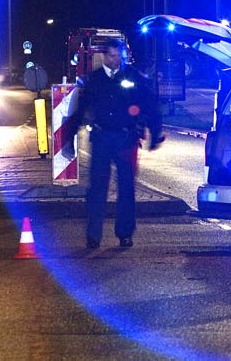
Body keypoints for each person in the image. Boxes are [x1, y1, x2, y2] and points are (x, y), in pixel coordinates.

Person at [62, 39, 164, 249]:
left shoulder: (134, 77)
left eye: (121, 56)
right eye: (113, 56)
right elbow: (81, 111)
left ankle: (125, 233)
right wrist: (69, 139)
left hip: (126, 139)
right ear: (104, 57)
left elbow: (151, 106)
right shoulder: (95, 80)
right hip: (101, 139)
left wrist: (154, 134)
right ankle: (93, 236)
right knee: (97, 189)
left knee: (126, 189)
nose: (118, 60)